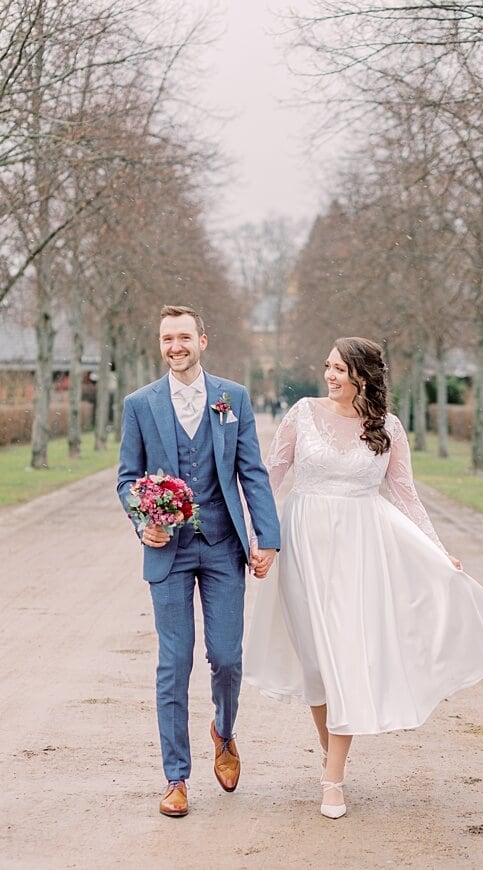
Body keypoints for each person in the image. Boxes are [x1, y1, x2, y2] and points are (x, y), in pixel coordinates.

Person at [244, 336, 483, 819]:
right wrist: (254, 538)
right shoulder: (301, 414)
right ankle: (331, 755)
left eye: (340, 368)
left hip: (361, 551)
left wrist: (439, 551)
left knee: (347, 657)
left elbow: (405, 495)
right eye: (328, 366)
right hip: (304, 546)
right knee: (317, 663)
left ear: (364, 374)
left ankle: (332, 779)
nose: (330, 376)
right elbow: (268, 478)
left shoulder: (389, 427)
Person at [117, 305, 280, 818]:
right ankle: (176, 778)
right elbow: (127, 479)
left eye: (184, 336)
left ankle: (224, 732)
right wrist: (145, 519)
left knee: (227, 657)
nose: (176, 346)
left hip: (222, 547)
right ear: (160, 344)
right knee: (174, 661)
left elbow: (251, 471)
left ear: (202, 341)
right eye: (167, 338)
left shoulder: (233, 398)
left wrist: (267, 538)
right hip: (167, 550)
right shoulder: (139, 404)